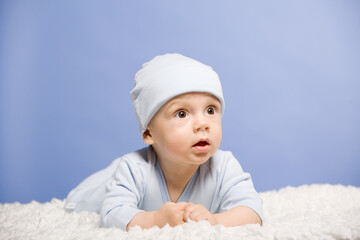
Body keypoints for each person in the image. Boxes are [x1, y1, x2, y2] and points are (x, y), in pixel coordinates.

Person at [64, 53, 263, 231]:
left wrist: (215, 220)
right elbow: (111, 214)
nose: (202, 124)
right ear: (149, 133)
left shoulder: (224, 165)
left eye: (210, 110)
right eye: (182, 113)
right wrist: (155, 219)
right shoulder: (134, 168)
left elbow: (252, 209)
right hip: (105, 185)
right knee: (91, 196)